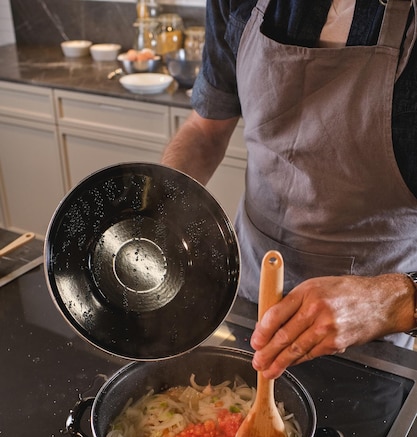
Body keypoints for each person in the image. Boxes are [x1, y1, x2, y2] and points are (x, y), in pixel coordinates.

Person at [161, 0, 417, 379]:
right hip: (244, 300)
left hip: (370, 345)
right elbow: (205, 129)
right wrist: (158, 208)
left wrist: (392, 303)